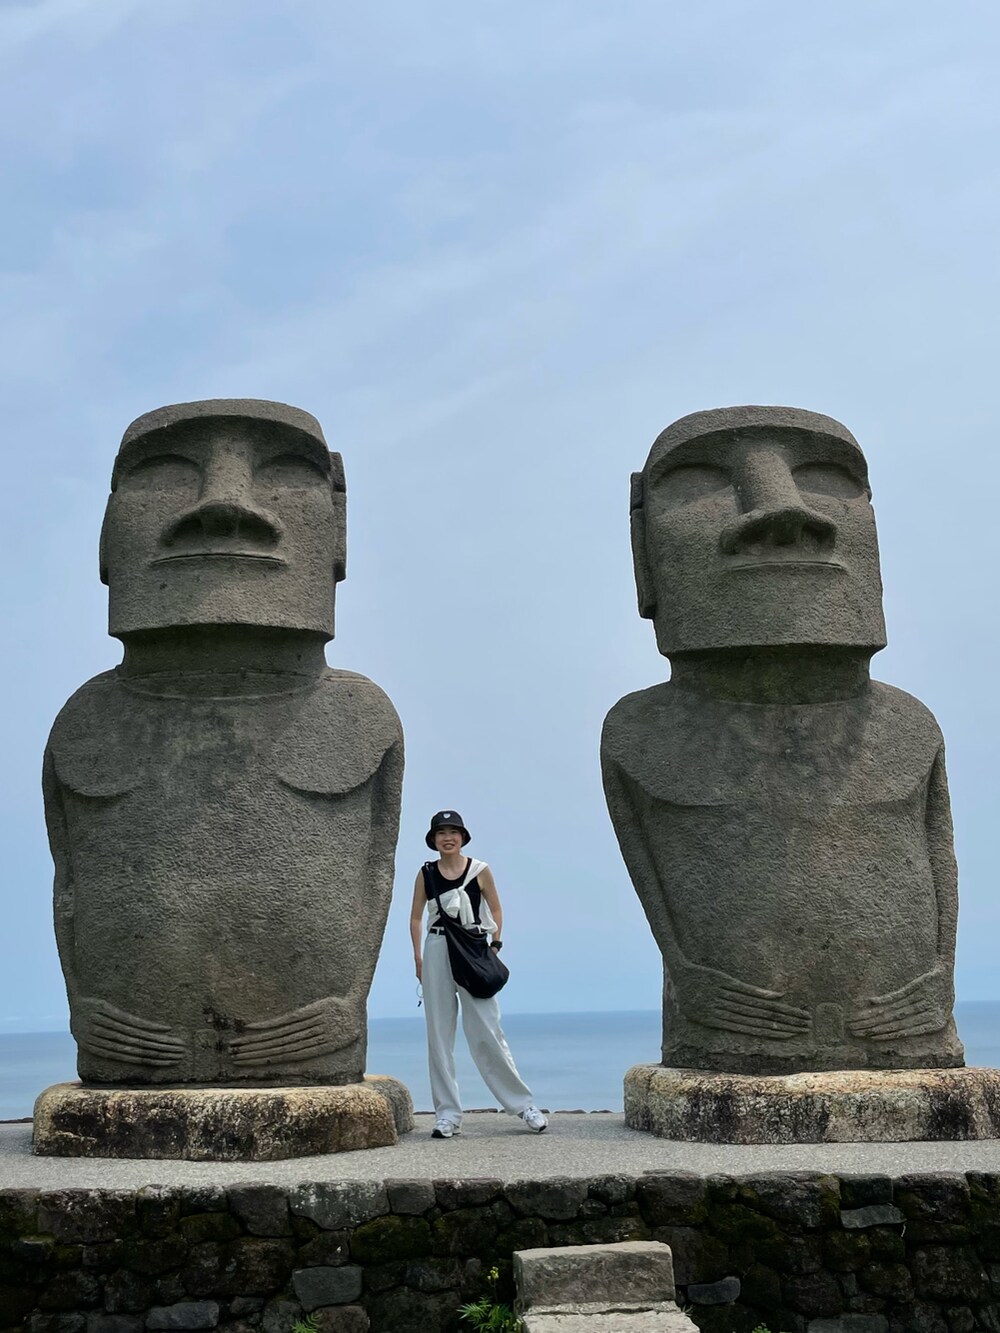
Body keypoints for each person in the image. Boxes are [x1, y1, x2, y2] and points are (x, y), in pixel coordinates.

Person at [410, 809, 547, 1138]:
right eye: (441, 832)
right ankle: (447, 1114)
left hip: (473, 950)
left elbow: (496, 907)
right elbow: (416, 916)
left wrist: (496, 944)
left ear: (463, 837)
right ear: (433, 840)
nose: (448, 837)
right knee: (439, 1036)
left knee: (487, 1030)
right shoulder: (426, 873)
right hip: (437, 948)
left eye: (453, 831)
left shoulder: (480, 870)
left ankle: (523, 1104)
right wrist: (417, 957)